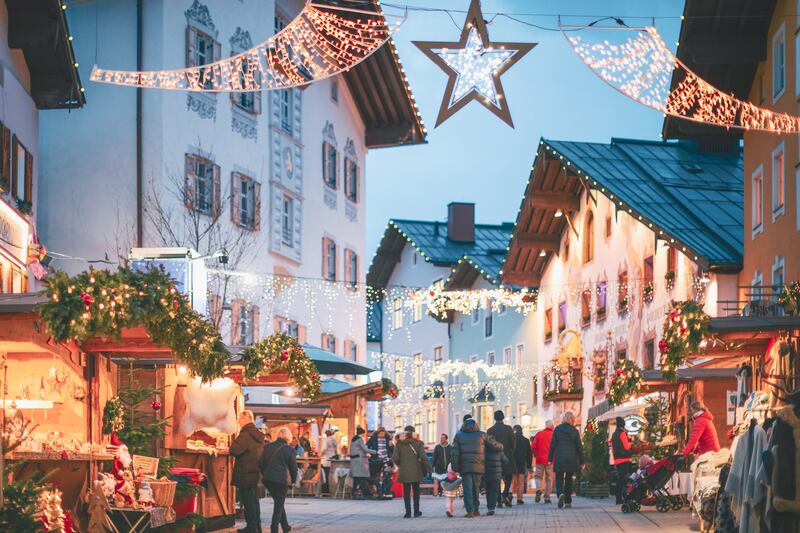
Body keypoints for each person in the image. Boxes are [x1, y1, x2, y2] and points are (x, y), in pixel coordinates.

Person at [450, 416, 503, 518]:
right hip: (479, 466)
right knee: (476, 488)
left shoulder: (459, 435)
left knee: (467, 489)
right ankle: (476, 509)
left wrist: (455, 467)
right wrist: (501, 446)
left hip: (465, 467)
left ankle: (470, 510)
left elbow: (454, 453)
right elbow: (495, 445)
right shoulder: (482, 435)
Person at [230, 411, 265, 533]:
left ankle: (251, 528)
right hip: (255, 473)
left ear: (246, 419)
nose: (238, 422)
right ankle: (257, 526)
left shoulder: (246, 434)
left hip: (245, 473)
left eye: (240, 419)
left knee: (248, 501)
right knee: (254, 501)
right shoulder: (258, 435)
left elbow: (234, 450)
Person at [259, 426, 298, 533]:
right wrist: (293, 481)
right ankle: (274, 528)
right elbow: (293, 468)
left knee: (279, 503)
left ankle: (285, 527)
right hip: (281, 481)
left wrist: (266, 474)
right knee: (278, 505)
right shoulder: (290, 449)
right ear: (288, 436)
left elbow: (261, 463)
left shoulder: (268, 447)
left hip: (268, 480)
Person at [392, 425, 431, 518]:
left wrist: (401, 465)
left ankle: (408, 512)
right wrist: (429, 469)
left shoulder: (399, 444)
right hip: (416, 470)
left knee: (406, 492)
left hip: (404, 471)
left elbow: (395, 458)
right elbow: (424, 457)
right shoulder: (419, 443)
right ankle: (416, 512)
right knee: (416, 492)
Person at [547, 411, 584, 509]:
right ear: (572, 419)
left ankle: (560, 494)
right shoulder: (575, 431)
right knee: (569, 479)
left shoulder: (557, 429)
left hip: (560, 457)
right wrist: (582, 461)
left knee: (559, 478)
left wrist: (550, 459)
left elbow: (552, 445)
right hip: (571, 458)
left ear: (563, 419)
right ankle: (568, 501)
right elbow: (579, 447)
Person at [487, 410, 516, 507]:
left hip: (494, 457)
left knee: (497, 479)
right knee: (509, 476)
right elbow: (513, 443)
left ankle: (499, 499)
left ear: (494, 418)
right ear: (503, 417)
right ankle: (505, 493)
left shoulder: (490, 430)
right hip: (507, 455)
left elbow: (488, 444)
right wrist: (510, 451)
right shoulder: (508, 429)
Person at [610, 416, 635, 505]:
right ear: (623, 425)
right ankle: (621, 497)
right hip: (624, 459)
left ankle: (619, 497)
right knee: (624, 479)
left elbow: (612, 447)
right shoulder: (622, 434)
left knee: (620, 478)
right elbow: (626, 447)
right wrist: (631, 444)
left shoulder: (614, 434)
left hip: (617, 460)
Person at [484, 428, 508, 515]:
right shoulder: (499, 450)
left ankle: (489, 506)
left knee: (488, 491)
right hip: (497, 474)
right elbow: (506, 461)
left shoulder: (483, 450)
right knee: (494, 491)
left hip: (486, 473)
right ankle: (492, 508)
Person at [531, 420, 554, 503]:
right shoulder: (553, 434)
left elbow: (533, 446)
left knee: (538, 476)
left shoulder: (539, 434)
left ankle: (538, 489)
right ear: (552, 426)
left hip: (540, 459)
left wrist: (535, 454)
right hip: (550, 460)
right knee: (549, 479)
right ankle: (547, 498)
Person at [349, 427, 373, 499]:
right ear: (362, 433)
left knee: (356, 478)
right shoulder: (360, 439)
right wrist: (374, 451)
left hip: (354, 460)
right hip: (359, 461)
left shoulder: (353, 439)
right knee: (362, 477)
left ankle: (353, 492)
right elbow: (365, 449)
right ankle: (365, 493)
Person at [512, 425, 532, 504]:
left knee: (512, 482)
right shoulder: (526, 440)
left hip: (512, 464)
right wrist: (529, 465)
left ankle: (509, 497)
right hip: (521, 464)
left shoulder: (512, 439)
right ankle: (519, 499)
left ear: (514, 430)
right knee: (520, 483)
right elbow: (529, 454)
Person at [320, 430, 338, 494]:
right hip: (332, 459)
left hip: (325, 459)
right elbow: (336, 449)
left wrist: (320, 454)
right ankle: (330, 489)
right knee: (329, 475)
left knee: (324, 475)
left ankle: (325, 490)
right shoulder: (334, 439)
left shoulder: (326, 440)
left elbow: (324, 449)